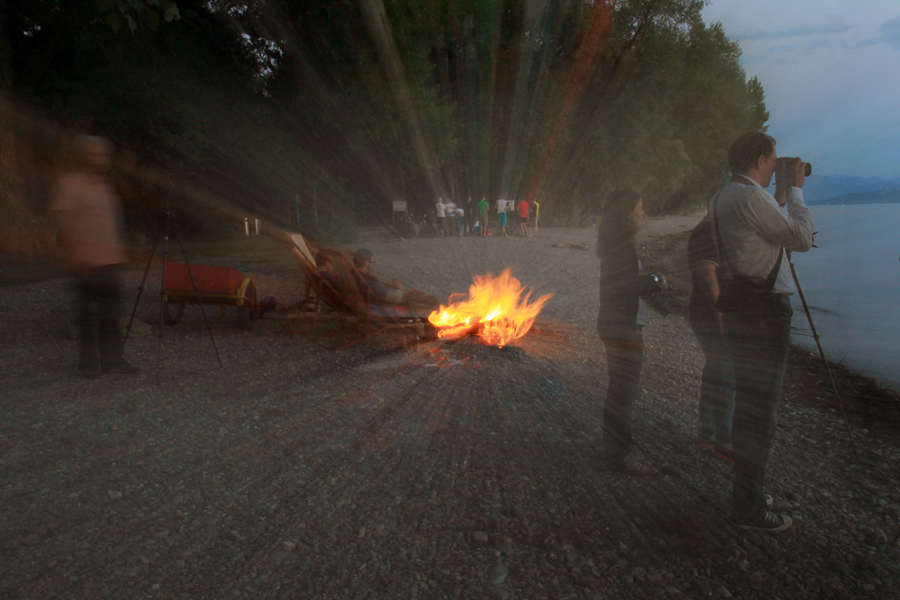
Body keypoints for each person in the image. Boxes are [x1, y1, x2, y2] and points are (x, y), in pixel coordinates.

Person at [710, 131, 813, 533]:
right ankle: (748, 506)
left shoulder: (724, 196)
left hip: (741, 308)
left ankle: (748, 491)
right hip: (763, 315)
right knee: (760, 412)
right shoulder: (752, 197)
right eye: (772, 160)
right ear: (758, 160)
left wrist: (781, 195)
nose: (775, 166)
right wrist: (797, 191)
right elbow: (801, 239)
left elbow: (762, 227)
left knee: (750, 405)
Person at [49, 136, 140, 379]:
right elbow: (63, 221)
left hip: (109, 260)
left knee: (112, 314)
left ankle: (113, 361)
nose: (98, 159)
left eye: (102, 155)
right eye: (92, 154)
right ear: (81, 155)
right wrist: (76, 255)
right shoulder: (69, 183)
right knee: (88, 315)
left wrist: (121, 251)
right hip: (85, 262)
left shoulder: (104, 185)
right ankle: (88, 364)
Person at [596, 189, 668, 475]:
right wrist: (657, 280)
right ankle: (621, 455)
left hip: (614, 324)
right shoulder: (622, 247)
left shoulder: (614, 244)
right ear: (626, 213)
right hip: (623, 327)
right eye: (639, 208)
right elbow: (626, 286)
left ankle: (615, 448)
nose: (643, 213)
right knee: (623, 395)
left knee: (619, 391)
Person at [688, 216, 734, 460]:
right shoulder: (709, 229)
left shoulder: (711, 227)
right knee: (726, 373)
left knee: (717, 371)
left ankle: (709, 434)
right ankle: (724, 441)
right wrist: (721, 316)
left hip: (704, 311)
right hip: (709, 313)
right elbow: (706, 272)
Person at [352, 249, 440, 313]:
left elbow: (378, 290)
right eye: (372, 262)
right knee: (431, 300)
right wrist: (399, 287)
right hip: (385, 307)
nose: (372, 266)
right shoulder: (369, 280)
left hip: (374, 303)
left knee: (418, 294)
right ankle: (432, 327)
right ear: (366, 263)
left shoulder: (354, 275)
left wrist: (388, 286)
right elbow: (396, 298)